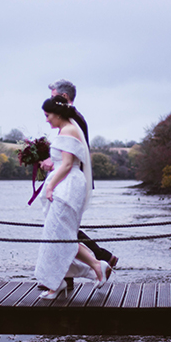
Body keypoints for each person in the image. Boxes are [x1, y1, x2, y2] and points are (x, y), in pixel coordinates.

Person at [35, 95, 112, 299]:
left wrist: (50, 186)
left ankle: (92, 268)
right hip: (66, 183)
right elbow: (63, 161)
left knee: (61, 235)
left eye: (48, 115)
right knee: (58, 235)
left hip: (67, 187)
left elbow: (68, 165)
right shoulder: (67, 128)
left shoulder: (69, 129)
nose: (46, 119)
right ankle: (66, 278)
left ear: (58, 114)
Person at [43, 80, 118, 273]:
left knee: (64, 229)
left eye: (53, 98)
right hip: (69, 177)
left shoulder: (72, 120)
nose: (50, 103)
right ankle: (70, 273)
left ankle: (99, 260)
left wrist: (55, 168)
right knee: (64, 228)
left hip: (72, 180)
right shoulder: (73, 119)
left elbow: (74, 154)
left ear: (64, 97)